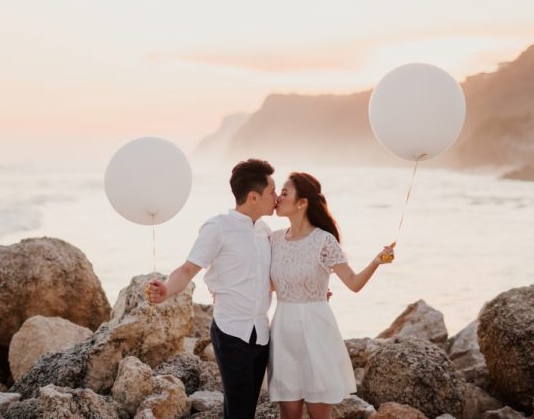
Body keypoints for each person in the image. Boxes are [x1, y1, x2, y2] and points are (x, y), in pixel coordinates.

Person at [146, 158, 277, 419]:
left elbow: (272, 279)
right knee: (240, 408)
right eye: (272, 192)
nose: (276, 197)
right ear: (253, 196)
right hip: (231, 330)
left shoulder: (265, 231)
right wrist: (166, 290)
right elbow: (188, 269)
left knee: (245, 405)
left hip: (261, 331)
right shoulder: (218, 228)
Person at [269, 172, 394, 419]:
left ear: (302, 202)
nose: (277, 199)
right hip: (283, 329)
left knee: (318, 410)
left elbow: (353, 283)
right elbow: (268, 285)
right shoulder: (273, 240)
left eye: (284, 193)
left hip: (317, 329)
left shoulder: (324, 241)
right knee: (288, 412)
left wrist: (376, 261)